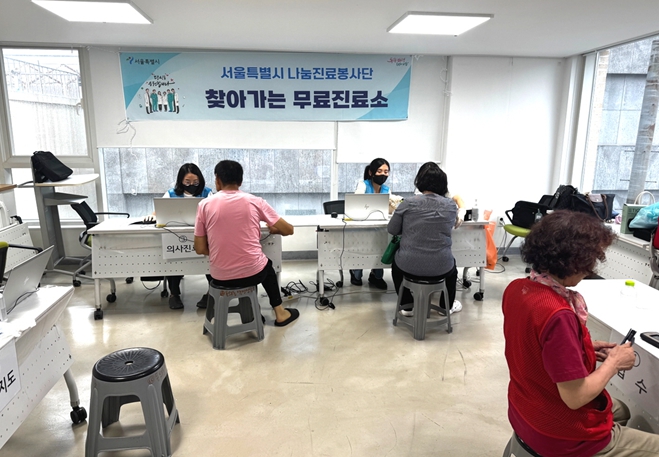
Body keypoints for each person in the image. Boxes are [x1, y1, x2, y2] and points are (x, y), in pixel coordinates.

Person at [502, 210, 659, 456]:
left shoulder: (517, 289)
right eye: (590, 262)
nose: (591, 270)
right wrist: (615, 363)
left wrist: (581, 348)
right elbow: (575, 398)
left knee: (622, 410)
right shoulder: (558, 314)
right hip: (558, 435)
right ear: (573, 261)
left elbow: (534, 345)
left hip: (525, 411)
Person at [193, 160, 299, 327]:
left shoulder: (204, 205)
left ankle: (252, 314)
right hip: (253, 274)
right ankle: (280, 313)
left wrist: (221, 250)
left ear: (217, 180)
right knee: (266, 266)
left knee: (256, 264)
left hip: (220, 278)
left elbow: (199, 248)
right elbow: (289, 230)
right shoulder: (255, 201)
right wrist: (275, 230)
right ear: (240, 181)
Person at [387, 162, 461, 316]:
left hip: (408, 266)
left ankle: (407, 306)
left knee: (396, 264)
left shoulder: (408, 203)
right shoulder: (451, 206)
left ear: (419, 181)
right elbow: (450, 226)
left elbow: (392, 230)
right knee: (452, 269)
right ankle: (446, 307)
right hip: (442, 267)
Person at [159, 163, 214, 310]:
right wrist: (152, 216)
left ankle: (212, 292)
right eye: (187, 182)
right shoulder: (171, 193)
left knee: (209, 262)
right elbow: (159, 211)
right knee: (174, 261)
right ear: (181, 181)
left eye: (195, 182)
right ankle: (174, 294)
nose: (191, 185)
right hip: (175, 236)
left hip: (203, 235)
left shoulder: (207, 193)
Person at [349, 158, 393, 290]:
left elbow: (389, 209)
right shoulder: (363, 185)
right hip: (361, 227)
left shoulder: (386, 189)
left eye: (386, 171)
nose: (383, 174)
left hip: (380, 227)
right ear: (371, 172)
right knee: (361, 251)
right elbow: (355, 203)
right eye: (379, 171)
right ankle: (355, 273)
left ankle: (376, 276)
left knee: (380, 249)